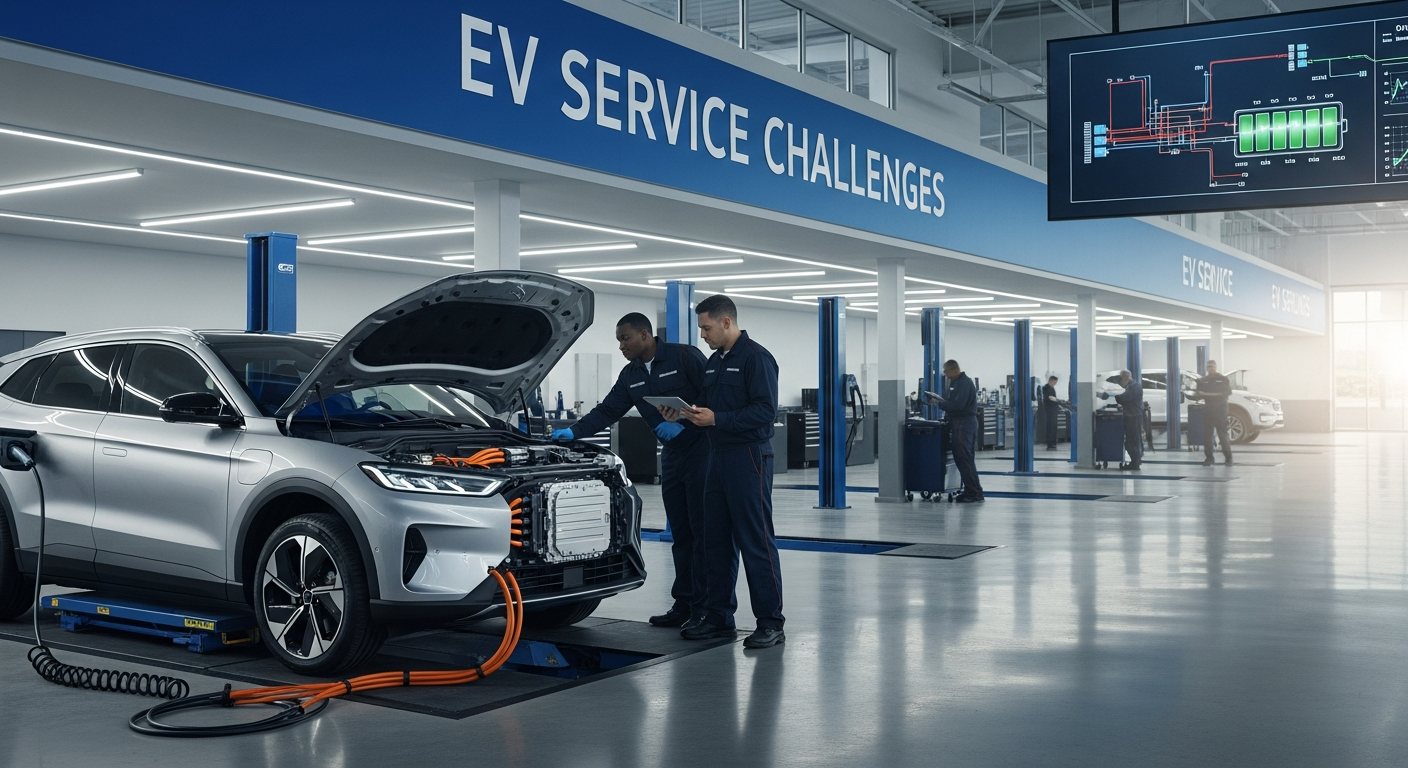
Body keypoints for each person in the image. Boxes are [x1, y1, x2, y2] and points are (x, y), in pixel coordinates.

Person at [552, 313, 710, 629]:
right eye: (618, 341)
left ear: (644, 334)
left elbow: (713, 395)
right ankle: (684, 604)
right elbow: (609, 410)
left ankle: (708, 610)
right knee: (681, 533)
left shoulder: (683, 356)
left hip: (704, 451)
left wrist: (688, 428)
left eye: (625, 339)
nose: (622, 346)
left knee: (703, 532)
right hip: (674, 458)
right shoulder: (631, 374)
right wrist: (574, 431)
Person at [668, 295, 785, 649]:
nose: (702, 335)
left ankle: (770, 622)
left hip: (748, 457)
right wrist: (684, 414)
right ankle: (718, 616)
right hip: (716, 456)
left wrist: (718, 418)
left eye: (706, 327)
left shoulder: (756, 358)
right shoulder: (714, 364)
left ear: (726, 323)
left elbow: (766, 411)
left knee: (755, 540)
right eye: (701, 328)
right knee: (714, 540)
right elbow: (708, 409)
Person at [926, 360, 984, 502]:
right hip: (959, 423)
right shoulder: (955, 383)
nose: (945, 374)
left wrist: (940, 404)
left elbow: (958, 406)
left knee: (964, 459)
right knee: (963, 459)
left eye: (946, 371)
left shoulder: (964, 383)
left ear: (955, 370)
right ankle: (970, 490)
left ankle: (975, 493)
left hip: (963, 424)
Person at [1190, 359, 1234, 467]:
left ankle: (1228, 459)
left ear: (1216, 367)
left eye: (1212, 366)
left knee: (1222, 435)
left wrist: (1207, 394)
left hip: (1220, 410)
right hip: (1208, 410)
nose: (1210, 368)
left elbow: (1226, 394)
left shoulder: (1223, 379)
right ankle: (1209, 458)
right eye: (1208, 366)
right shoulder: (1203, 380)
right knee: (1207, 436)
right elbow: (1198, 394)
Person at [1099, 369, 1143, 470]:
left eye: (1121, 378)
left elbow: (1123, 398)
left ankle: (1135, 463)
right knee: (1130, 441)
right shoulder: (1130, 386)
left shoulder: (1134, 387)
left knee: (1133, 441)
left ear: (1126, 377)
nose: (1120, 381)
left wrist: (1111, 394)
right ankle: (1135, 461)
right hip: (1130, 416)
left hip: (1134, 417)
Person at [1040, 375, 1060, 450]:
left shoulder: (1052, 388)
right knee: (1050, 426)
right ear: (1051, 380)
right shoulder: (1046, 388)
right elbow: (1050, 398)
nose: (1055, 384)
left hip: (1053, 409)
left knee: (1053, 426)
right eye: (1055, 382)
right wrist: (1058, 400)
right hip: (1049, 410)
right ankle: (1050, 443)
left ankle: (1053, 442)